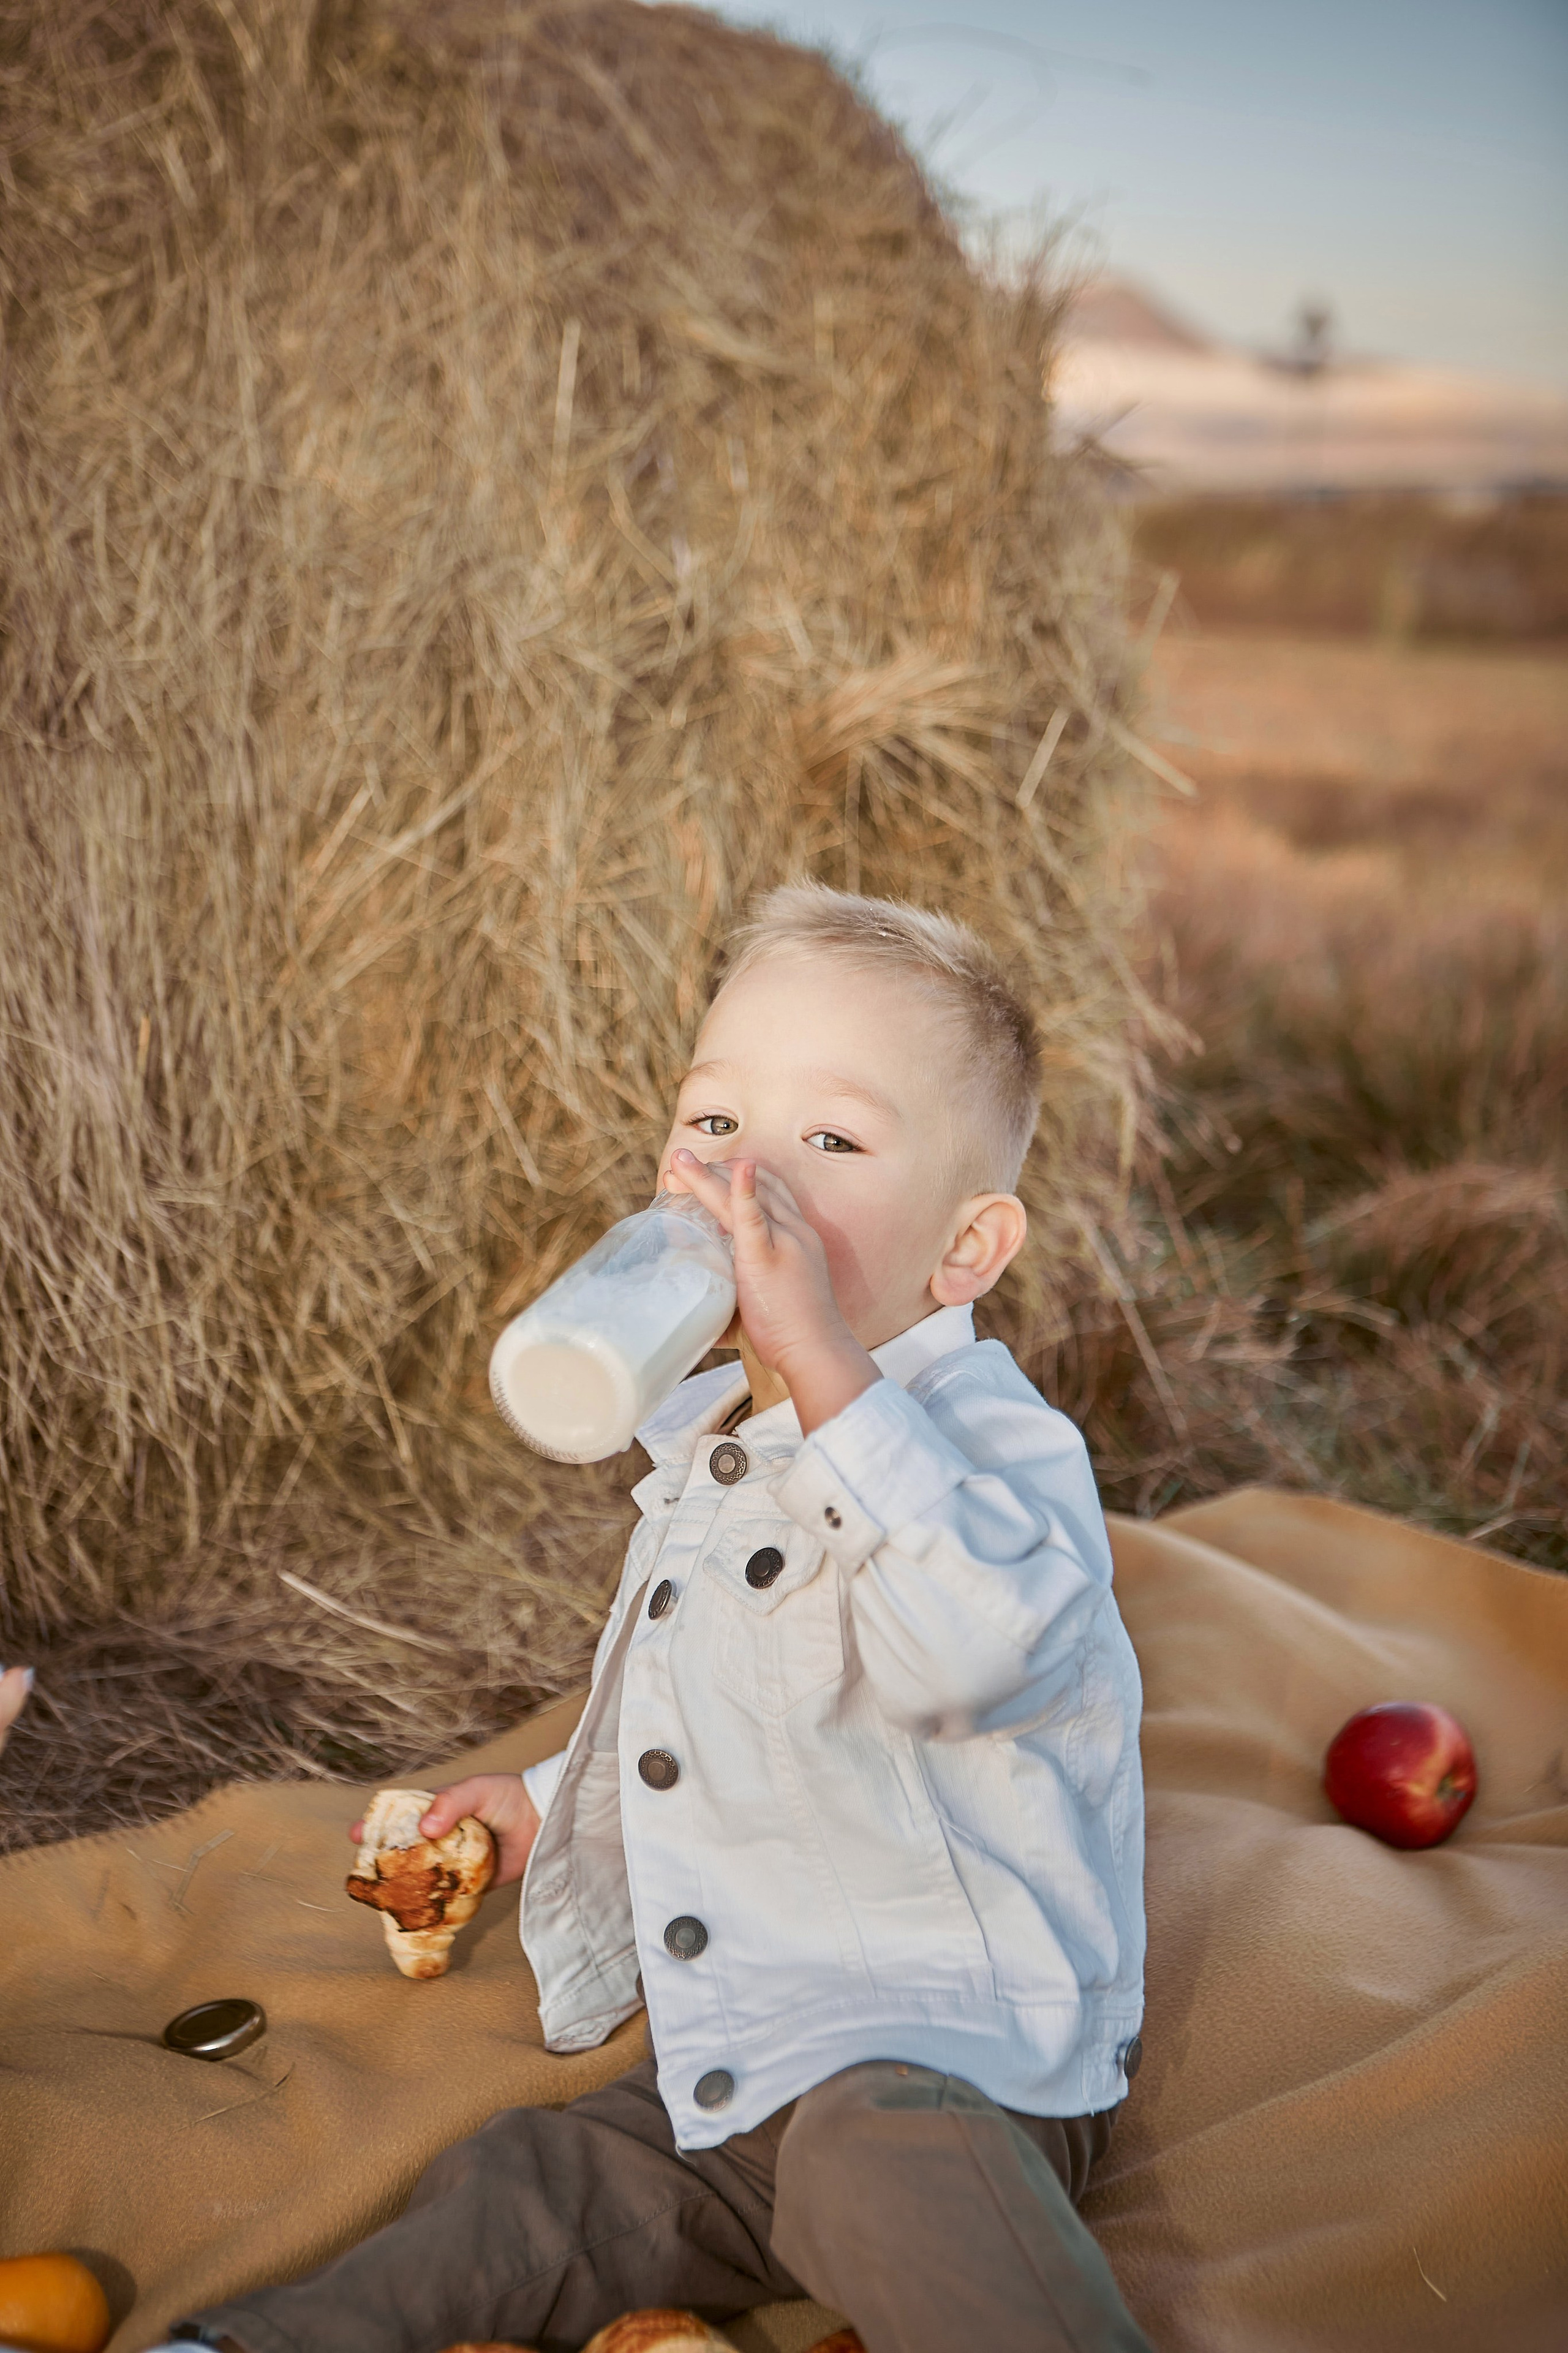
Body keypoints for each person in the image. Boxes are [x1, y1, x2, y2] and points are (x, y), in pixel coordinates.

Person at [174, 885, 1151, 2353]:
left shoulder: (991, 1450)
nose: (746, 1176)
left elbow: (977, 1654)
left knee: (872, 2160)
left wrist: (822, 1360)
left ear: (964, 1251)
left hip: (953, 2058)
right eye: (713, 1124)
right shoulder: (705, 1451)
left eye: (828, 1140)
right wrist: (543, 1798)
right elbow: (721, 1722)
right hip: (740, 2055)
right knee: (534, 2185)